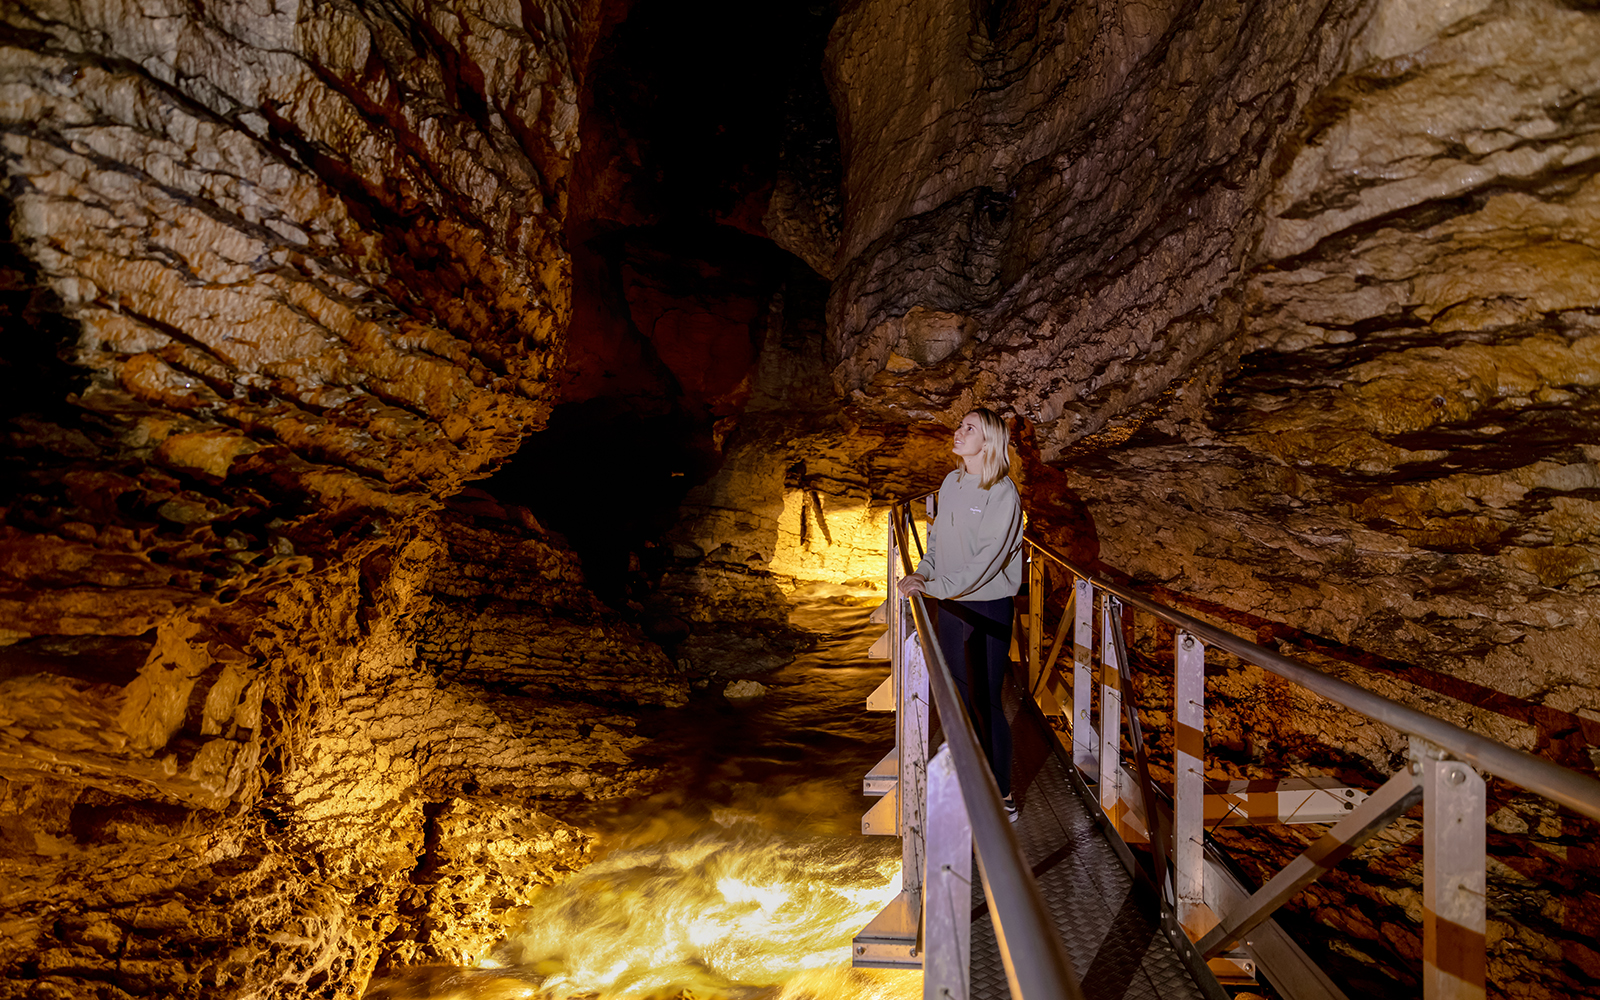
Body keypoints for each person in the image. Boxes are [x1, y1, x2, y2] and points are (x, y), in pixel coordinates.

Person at [896, 407, 1025, 820]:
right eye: (960, 425)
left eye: (969, 429)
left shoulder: (1002, 493)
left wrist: (936, 589)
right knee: (956, 694)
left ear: (988, 442)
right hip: (949, 602)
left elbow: (987, 560)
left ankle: (1002, 794)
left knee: (985, 700)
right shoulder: (950, 482)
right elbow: (936, 543)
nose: (958, 432)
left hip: (986, 607)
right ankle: (972, 779)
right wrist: (922, 574)